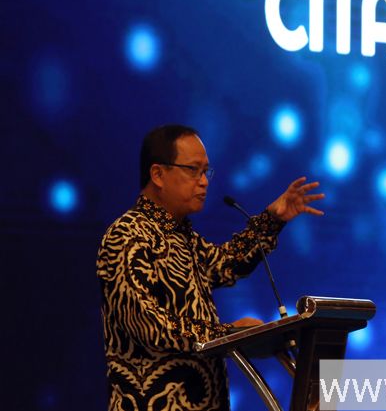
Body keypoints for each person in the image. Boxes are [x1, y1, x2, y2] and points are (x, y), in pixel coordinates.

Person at [96, 125, 324, 411]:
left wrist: (273, 218)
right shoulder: (127, 235)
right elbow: (148, 325)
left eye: (206, 172)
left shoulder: (184, 238)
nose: (204, 182)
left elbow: (227, 264)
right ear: (158, 174)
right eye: (193, 170)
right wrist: (228, 333)